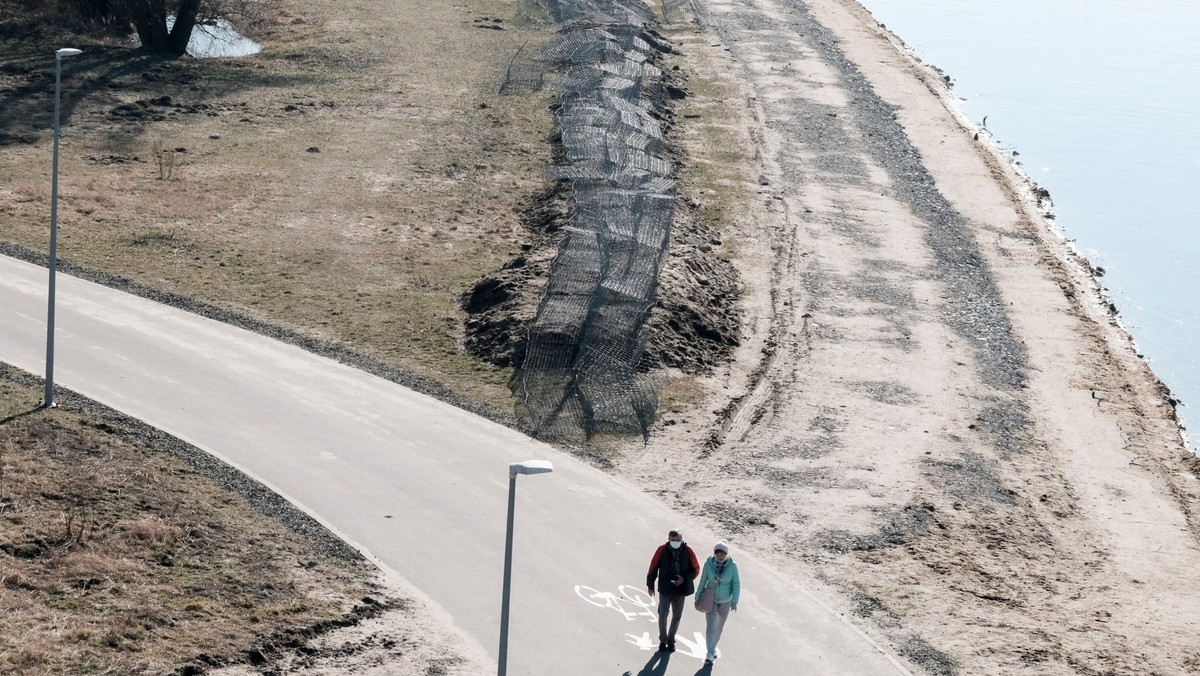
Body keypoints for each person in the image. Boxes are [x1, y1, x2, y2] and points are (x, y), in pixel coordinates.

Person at [646, 529, 700, 653]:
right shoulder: (661, 550)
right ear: (668, 539)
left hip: (680, 590)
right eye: (673, 540)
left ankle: (671, 640)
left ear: (682, 539)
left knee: (677, 616)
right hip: (665, 588)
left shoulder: (688, 551)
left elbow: (696, 569)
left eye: (678, 540)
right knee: (663, 614)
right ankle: (663, 640)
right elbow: (653, 568)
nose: (675, 542)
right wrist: (650, 585)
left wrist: (684, 579)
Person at [694, 540, 740, 665]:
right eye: (717, 553)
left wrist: (735, 601)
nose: (720, 556)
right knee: (710, 627)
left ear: (726, 553)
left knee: (719, 628)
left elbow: (736, 583)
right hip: (711, 600)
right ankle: (709, 653)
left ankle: (713, 647)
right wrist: (697, 596)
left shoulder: (732, 565)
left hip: (726, 601)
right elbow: (703, 580)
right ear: (714, 553)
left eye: (722, 553)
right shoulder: (709, 564)